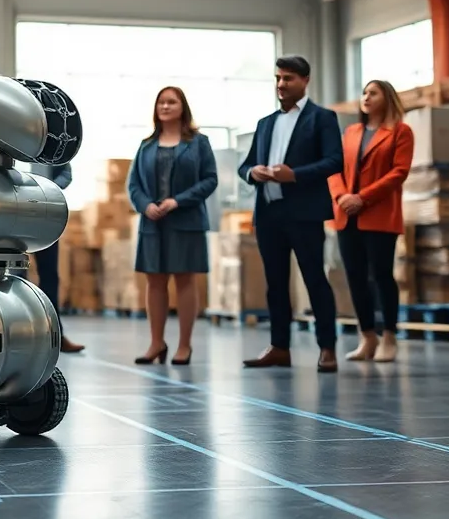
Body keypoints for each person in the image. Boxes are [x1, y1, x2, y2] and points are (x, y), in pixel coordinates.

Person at [238, 55, 344, 373]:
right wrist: (252, 172)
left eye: (289, 78)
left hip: (305, 214)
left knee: (315, 280)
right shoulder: (265, 123)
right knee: (275, 284)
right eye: (278, 78)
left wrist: (294, 175)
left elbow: (334, 161)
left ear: (305, 80)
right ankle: (279, 347)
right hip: (269, 214)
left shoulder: (322, 118)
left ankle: (327, 348)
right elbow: (245, 165)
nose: (281, 84)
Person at [126, 86, 217, 366]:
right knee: (154, 281)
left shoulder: (199, 143)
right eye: (161, 102)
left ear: (182, 107)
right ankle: (156, 343)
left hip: (186, 221)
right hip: (153, 223)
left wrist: (178, 201)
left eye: (171, 102)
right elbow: (134, 184)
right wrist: (145, 205)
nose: (165, 106)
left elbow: (210, 180)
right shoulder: (146, 145)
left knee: (185, 279)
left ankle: (184, 345)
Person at [329, 79, 414, 363]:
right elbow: (334, 168)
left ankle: (389, 337)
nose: (366, 97)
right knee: (355, 277)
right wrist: (342, 196)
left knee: (381, 275)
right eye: (364, 92)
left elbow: (398, 172)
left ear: (387, 98)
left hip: (378, 214)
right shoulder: (351, 132)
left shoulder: (400, 132)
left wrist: (362, 198)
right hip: (346, 215)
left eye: (373, 93)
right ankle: (367, 337)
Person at [30, 162, 85, 354]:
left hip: (46, 214)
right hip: (12, 209)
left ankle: (56, 336)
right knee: (13, 275)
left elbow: (66, 173)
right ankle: (17, 336)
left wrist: (49, 188)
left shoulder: (51, 147)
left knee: (50, 277)